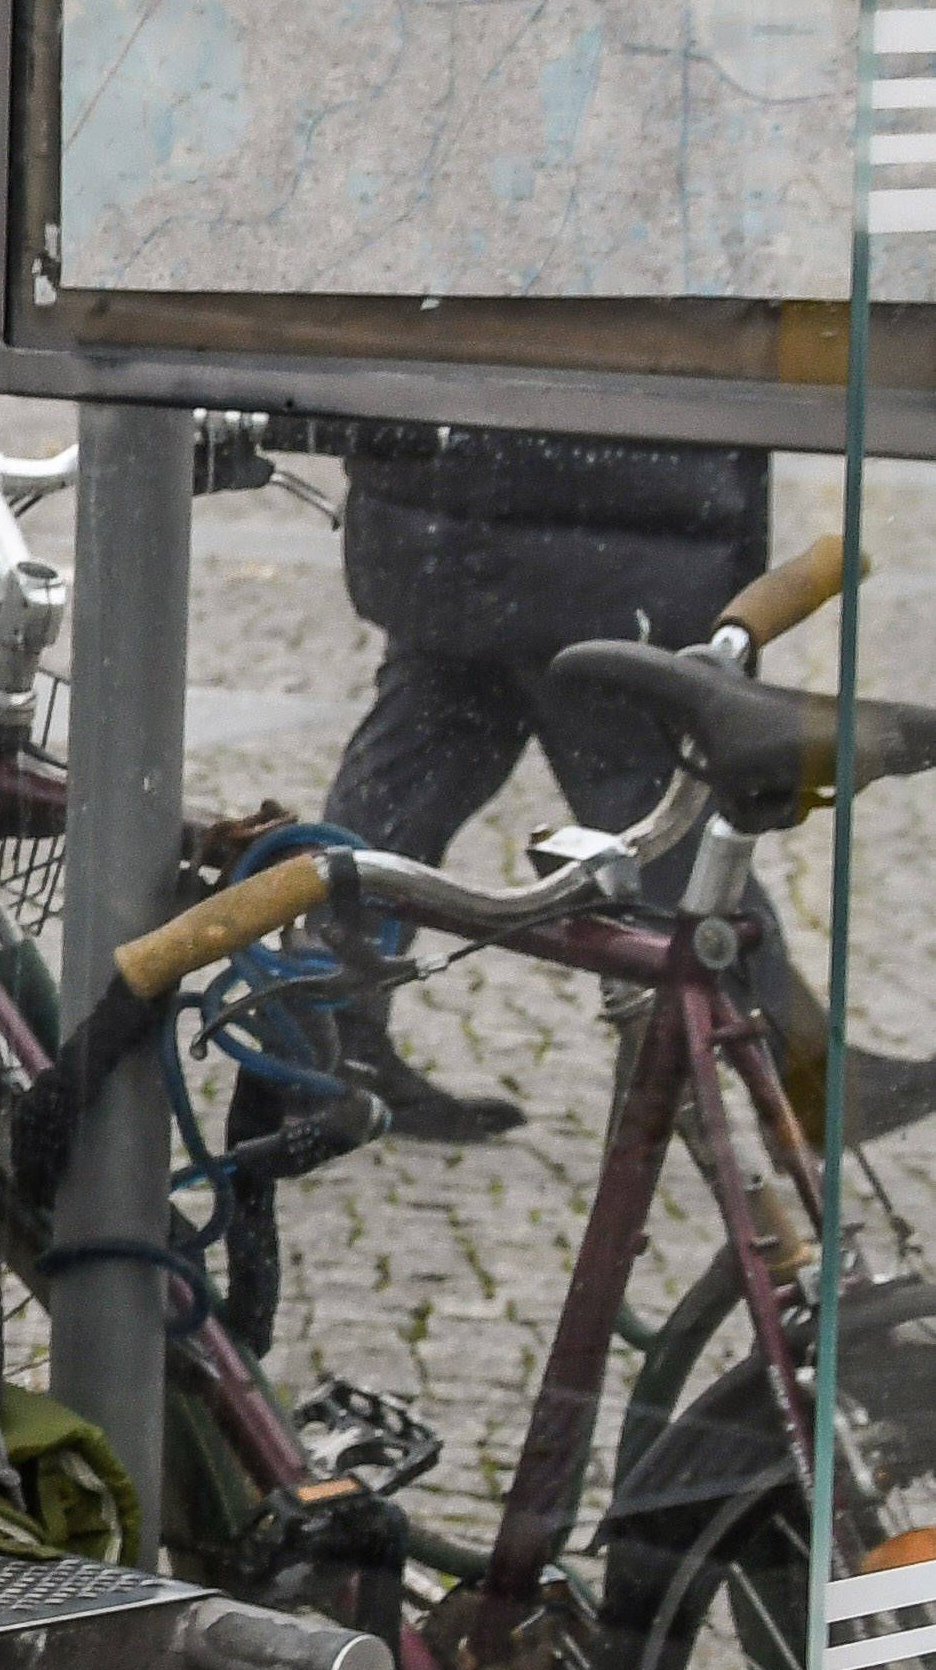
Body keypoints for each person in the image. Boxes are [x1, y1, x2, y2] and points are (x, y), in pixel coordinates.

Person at [315, 429, 923, 1141]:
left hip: (476, 517)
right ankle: (811, 1076)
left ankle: (319, 1048)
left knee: (415, 778)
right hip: (574, 531)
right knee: (654, 806)